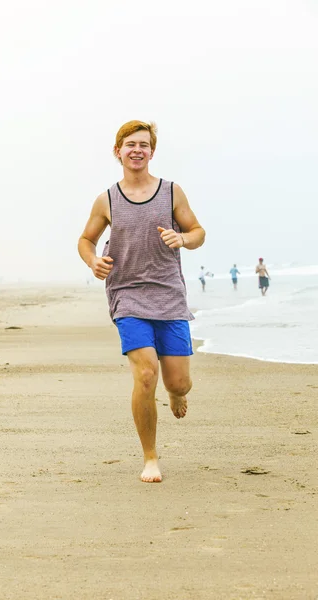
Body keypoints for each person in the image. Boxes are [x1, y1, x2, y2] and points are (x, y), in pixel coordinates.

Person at [78, 120, 205, 483]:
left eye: (144, 145)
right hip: (127, 294)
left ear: (152, 152)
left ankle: (177, 394)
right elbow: (85, 240)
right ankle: (150, 458)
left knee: (178, 382)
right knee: (146, 372)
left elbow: (198, 232)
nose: (137, 150)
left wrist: (185, 240)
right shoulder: (107, 199)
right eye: (130, 144)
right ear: (118, 151)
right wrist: (93, 260)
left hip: (168, 295)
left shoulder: (171, 192)